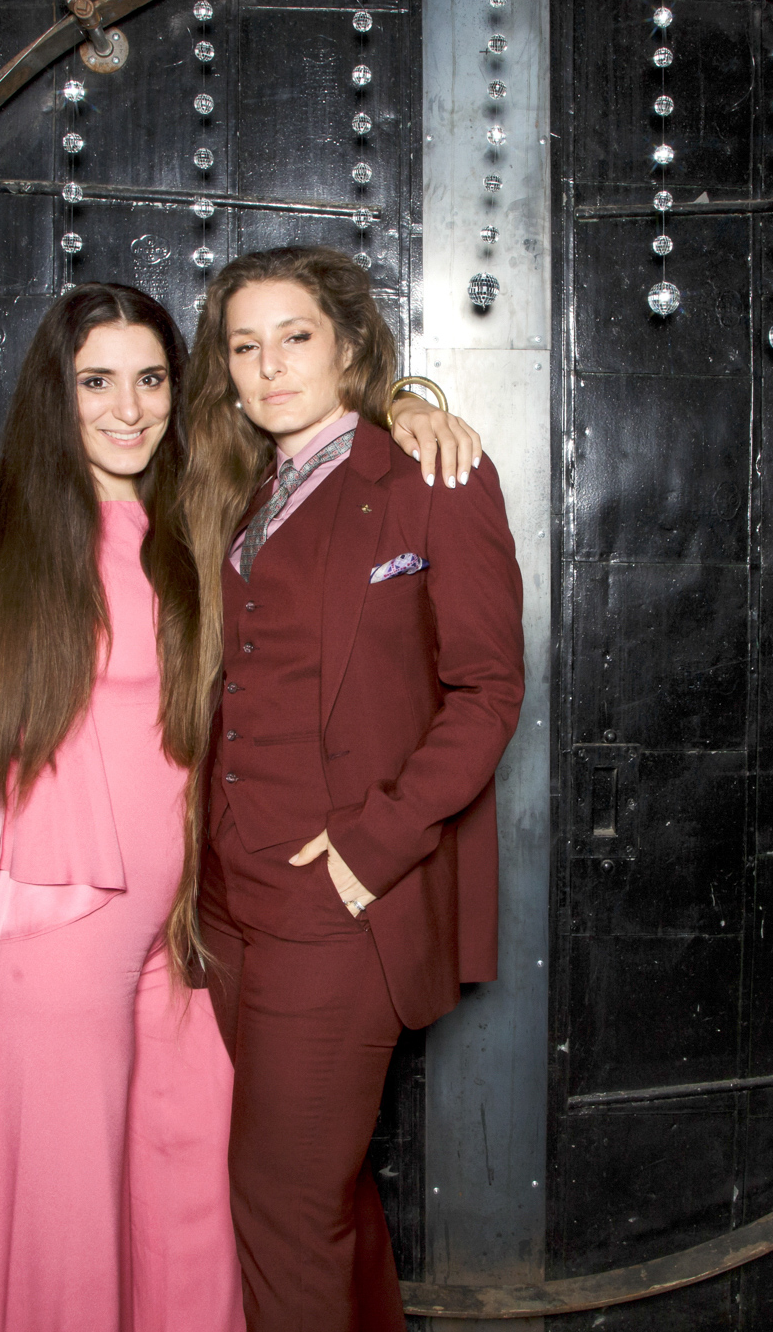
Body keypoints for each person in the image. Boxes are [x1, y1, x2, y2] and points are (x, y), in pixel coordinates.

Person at [0, 281, 481, 1332]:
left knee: (195, 1221)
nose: (127, 408)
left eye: (150, 379)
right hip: (55, 929)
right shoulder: (9, 542)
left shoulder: (201, 516)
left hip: (186, 934)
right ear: (56, 392)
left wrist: (407, 406)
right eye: (96, 382)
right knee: (64, 1241)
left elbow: (321, 444)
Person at [179, 247, 525, 1332]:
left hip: (338, 901)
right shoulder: (230, 489)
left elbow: (487, 690)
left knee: (281, 1200)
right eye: (245, 345)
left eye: (296, 337)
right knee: (318, 1187)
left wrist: (369, 850)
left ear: (347, 346)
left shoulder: (432, 476)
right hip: (224, 901)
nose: (270, 365)